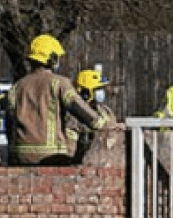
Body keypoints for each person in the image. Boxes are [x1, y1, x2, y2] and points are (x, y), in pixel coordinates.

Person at [6, 34, 110, 165]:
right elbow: (83, 112)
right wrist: (103, 122)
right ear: (52, 59)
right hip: (52, 156)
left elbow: (9, 126)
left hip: (20, 156)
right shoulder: (59, 83)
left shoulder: (16, 87)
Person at [69, 68, 123, 162]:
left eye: (101, 89)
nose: (101, 92)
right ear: (85, 92)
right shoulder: (75, 112)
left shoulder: (105, 111)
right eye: (97, 89)